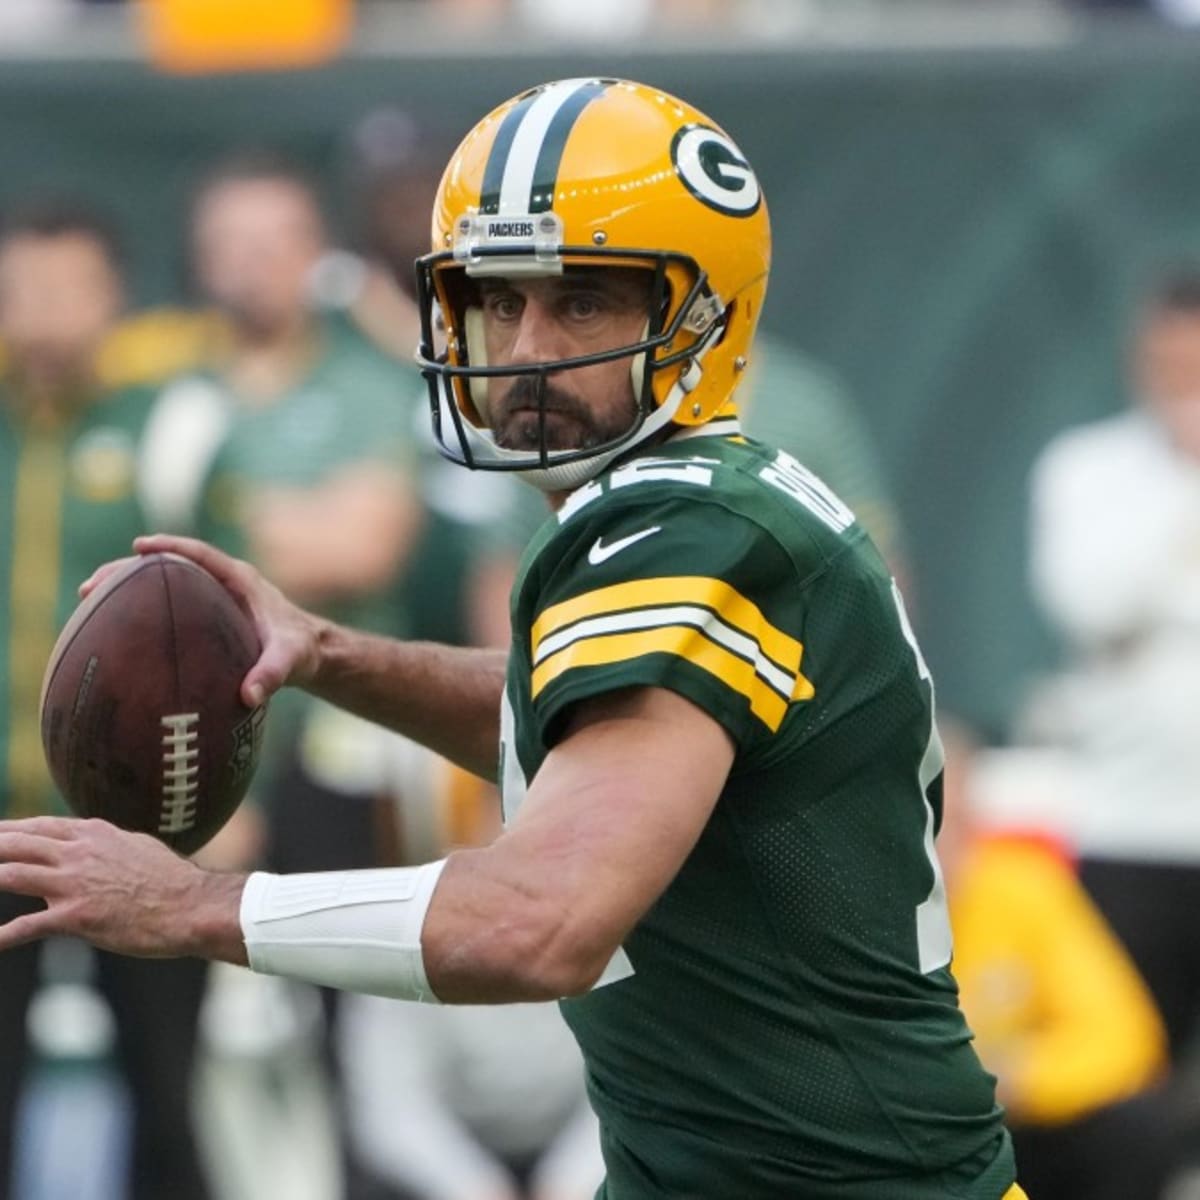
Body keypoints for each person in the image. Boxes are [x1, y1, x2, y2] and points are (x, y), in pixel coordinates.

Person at [0, 79, 1024, 1199]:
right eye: (496, 297)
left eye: (581, 303)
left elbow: (543, 923)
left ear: (701, 315)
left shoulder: (691, 531)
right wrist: (332, 656)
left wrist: (195, 906)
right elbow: (577, 718)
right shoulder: (681, 506)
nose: (526, 347)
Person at [0, 202, 212, 1200]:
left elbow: (235, 627)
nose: (42, 311)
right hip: (2, 817)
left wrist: (231, 798)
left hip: (137, 820)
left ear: (113, 297)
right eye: (24, 285)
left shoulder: (170, 427)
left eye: (66, 285)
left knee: (167, 1092)